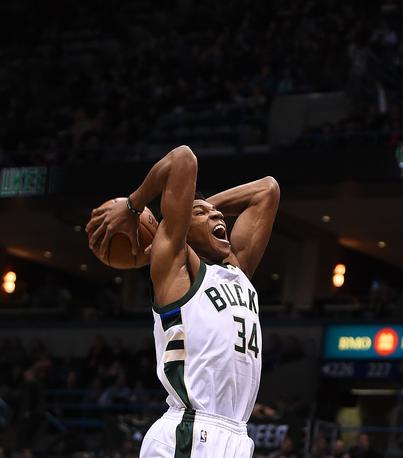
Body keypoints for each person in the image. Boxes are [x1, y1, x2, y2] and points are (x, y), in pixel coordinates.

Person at [87, 145, 279, 457]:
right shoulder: (176, 268)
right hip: (188, 432)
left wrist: (199, 207)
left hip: (236, 435)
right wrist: (135, 206)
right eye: (202, 213)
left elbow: (266, 190)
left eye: (216, 213)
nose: (217, 214)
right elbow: (182, 159)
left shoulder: (237, 269)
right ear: (179, 233)